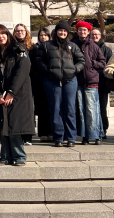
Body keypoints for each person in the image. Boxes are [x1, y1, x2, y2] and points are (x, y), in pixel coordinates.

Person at [0, 25, 34, 166]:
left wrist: (11, 92)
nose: (1, 37)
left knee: (15, 125)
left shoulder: (19, 50)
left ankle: (19, 156)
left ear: (8, 35)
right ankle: (5, 156)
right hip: (2, 96)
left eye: (3, 34)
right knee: (3, 126)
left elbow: (22, 72)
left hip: (19, 95)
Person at [36, 20, 85, 148]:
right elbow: (38, 60)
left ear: (67, 33)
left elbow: (81, 60)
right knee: (55, 109)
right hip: (52, 81)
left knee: (70, 109)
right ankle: (58, 137)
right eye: (60, 30)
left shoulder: (73, 46)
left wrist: (75, 69)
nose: (62, 33)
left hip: (70, 81)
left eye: (64, 31)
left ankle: (71, 138)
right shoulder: (46, 45)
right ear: (56, 32)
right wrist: (47, 70)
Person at [72, 21, 106, 145]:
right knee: (81, 110)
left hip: (91, 81)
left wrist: (92, 63)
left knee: (93, 110)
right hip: (78, 81)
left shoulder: (94, 46)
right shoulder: (73, 44)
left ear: (88, 32)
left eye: (85, 30)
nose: (82, 32)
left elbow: (102, 62)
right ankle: (85, 136)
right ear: (77, 31)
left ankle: (97, 135)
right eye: (80, 30)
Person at [13, 23, 35, 145]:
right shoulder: (12, 46)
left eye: (21, 30)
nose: (19, 32)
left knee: (28, 110)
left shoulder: (32, 47)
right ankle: (18, 135)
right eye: (17, 31)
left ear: (26, 32)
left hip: (29, 81)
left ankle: (27, 136)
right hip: (16, 81)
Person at [91, 28, 112, 139]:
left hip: (102, 83)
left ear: (100, 36)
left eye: (96, 34)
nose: (95, 36)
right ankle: (92, 130)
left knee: (102, 108)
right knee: (90, 108)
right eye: (93, 35)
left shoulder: (107, 50)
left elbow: (108, 65)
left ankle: (103, 129)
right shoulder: (86, 47)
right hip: (89, 82)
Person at [33, 28, 52, 141]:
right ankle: (42, 133)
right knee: (41, 108)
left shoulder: (52, 47)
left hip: (50, 80)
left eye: (45, 35)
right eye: (41, 35)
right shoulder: (35, 48)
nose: (43, 37)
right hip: (39, 81)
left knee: (51, 107)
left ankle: (51, 132)